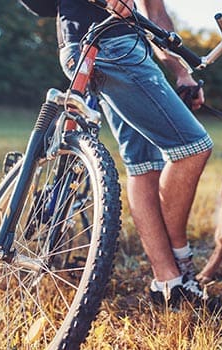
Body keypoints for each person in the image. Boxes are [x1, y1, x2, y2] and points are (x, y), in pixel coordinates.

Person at [57, 0, 212, 306]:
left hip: (126, 45)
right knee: (193, 148)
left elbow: (155, 13)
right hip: (106, 44)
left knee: (143, 166)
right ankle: (180, 257)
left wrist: (182, 72)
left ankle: (168, 283)